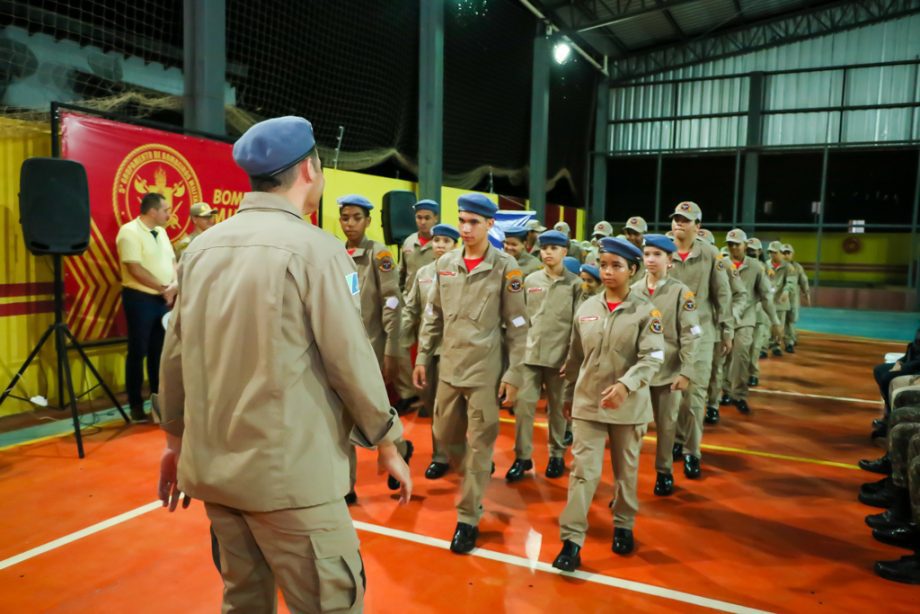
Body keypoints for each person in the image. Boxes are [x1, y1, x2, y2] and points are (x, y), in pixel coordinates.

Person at [156, 116, 411, 613]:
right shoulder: (317, 251)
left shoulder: (202, 249)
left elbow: (175, 356)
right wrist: (386, 439)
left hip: (216, 472)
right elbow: (350, 360)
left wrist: (174, 440)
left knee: (244, 601)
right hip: (292, 481)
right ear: (310, 171)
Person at [414, 193, 528, 555]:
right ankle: (477, 468)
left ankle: (468, 517)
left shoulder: (505, 268)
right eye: (462, 220)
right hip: (449, 367)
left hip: (484, 372)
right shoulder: (445, 264)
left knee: (479, 445)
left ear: (490, 224)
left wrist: (513, 374)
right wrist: (421, 356)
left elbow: (519, 326)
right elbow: (433, 314)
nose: (465, 228)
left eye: (473, 222)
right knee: (444, 434)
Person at [551, 237, 664, 571]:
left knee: (625, 472)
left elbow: (654, 355)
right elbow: (574, 356)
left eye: (617, 265)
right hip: (588, 403)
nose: (608, 271)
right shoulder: (586, 309)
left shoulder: (647, 311)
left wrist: (626, 385)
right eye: (604, 264)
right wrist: (569, 394)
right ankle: (571, 541)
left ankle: (624, 525)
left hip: (628, 408)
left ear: (633, 269)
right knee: (582, 473)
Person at [338, 194, 414, 502]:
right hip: (344, 349)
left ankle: (402, 448)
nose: (350, 223)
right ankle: (346, 487)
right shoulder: (339, 254)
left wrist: (392, 348)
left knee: (377, 413)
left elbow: (392, 301)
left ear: (368, 220)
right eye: (345, 217)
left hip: (374, 348)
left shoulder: (379, 254)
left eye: (357, 217)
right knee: (342, 418)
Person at [506, 230, 581, 482]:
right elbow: (519, 317)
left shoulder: (575, 285)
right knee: (523, 406)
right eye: (544, 247)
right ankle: (522, 456)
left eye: (553, 248)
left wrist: (572, 358)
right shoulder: (530, 281)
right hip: (529, 354)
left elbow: (578, 325)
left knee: (558, 410)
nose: (547, 252)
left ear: (564, 251)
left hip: (559, 358)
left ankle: (557, 454)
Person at [632, 234, 701, 497]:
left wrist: (686, 371)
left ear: (669, 260)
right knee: (632, 428)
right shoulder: (634, 290)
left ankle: (663, 472)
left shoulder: (680, 292)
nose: (650, 259)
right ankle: (628, 477)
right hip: (639, 371)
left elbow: (691, 333)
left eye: (657, 255)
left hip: (668, 371)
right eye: (647, 254)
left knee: (667, 425)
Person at [667, 201, 733, 479]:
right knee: (672, 395)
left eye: (686, 220)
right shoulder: (663, 250)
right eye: (676, 219)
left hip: (701, 335)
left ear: (698, 226)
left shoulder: (711, 255)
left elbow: (723, 294)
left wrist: (727, 329)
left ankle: (692, 451)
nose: (679, 223)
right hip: (668, 335)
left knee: (694, 395)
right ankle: (677, 440)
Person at [401, 223, 462, 479]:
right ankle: (440, 455)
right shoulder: (423, 273)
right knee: (432, 402)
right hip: (428, 348)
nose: (439, 245)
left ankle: (464, 453)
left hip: (456, 348)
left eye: (446, 242)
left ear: (455, 246)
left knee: (457, 408)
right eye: (436, 241)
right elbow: (411, 307)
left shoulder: (461, 273)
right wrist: (397, 338)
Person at [115, 192, 178, 422]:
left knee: (159, 354)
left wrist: (173, 286)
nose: (169, 214)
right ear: (152, 211)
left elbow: (172, 261)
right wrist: (164, 288)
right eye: (166, 210)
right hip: (140, 299)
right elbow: (134, 268)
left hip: (163, 300)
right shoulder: (129, 232)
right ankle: (135, 405)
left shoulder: (161, 232)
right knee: (138, 352)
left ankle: (158, 405)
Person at [722, 229, 782, 415]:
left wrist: (775, 321)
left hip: (746, 319)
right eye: (730, 244)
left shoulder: (756, 267)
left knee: (741, 355)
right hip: (724, 319)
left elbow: (765, 296)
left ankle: (739, 394)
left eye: (737, 244)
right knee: (723, 357)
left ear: (745, 246)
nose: (733, 248)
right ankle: (724, 391)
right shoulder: (721, 265)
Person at [395, 199, 441, 411]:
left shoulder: (441, 243)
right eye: (419, 218)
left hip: (432, 307)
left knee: (428, 352)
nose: (422, 222)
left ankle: (428, 398)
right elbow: (401, 274)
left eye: (427, 218)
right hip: (409, 303)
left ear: (436, 218)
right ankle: (409, 393)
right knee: (400, 345)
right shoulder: (408, 242)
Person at [746, 237, 769, 386]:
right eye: (748, 250)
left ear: (759, 251)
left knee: (754, 347)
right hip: (742, 314)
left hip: (758, 314)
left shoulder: (764, 268)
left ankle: (753, 374)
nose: (750, 253)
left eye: (753, 250)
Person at [767, 241, 794, 357]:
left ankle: (776, 345)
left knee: (779, 326)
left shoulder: (788, 267)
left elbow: (791, 281)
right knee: (767, 326)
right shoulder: (765, 265)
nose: (772, 255)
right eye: (770, 252)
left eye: (775, 252)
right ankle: (766, 345)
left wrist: (786, 291)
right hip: (767, 301)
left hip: (780, 302)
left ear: (781, 253)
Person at [782, 243, 810, 351]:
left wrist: (806, 293)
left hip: (792, 298)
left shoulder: (797, 267)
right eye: (783, 253)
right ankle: (778, 342)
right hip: (778, 298)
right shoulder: (775, 266)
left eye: (788, 253)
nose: (785, 255)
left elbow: (803, 280)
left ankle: (790, 340)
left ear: (792, 254)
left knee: (791, 318)